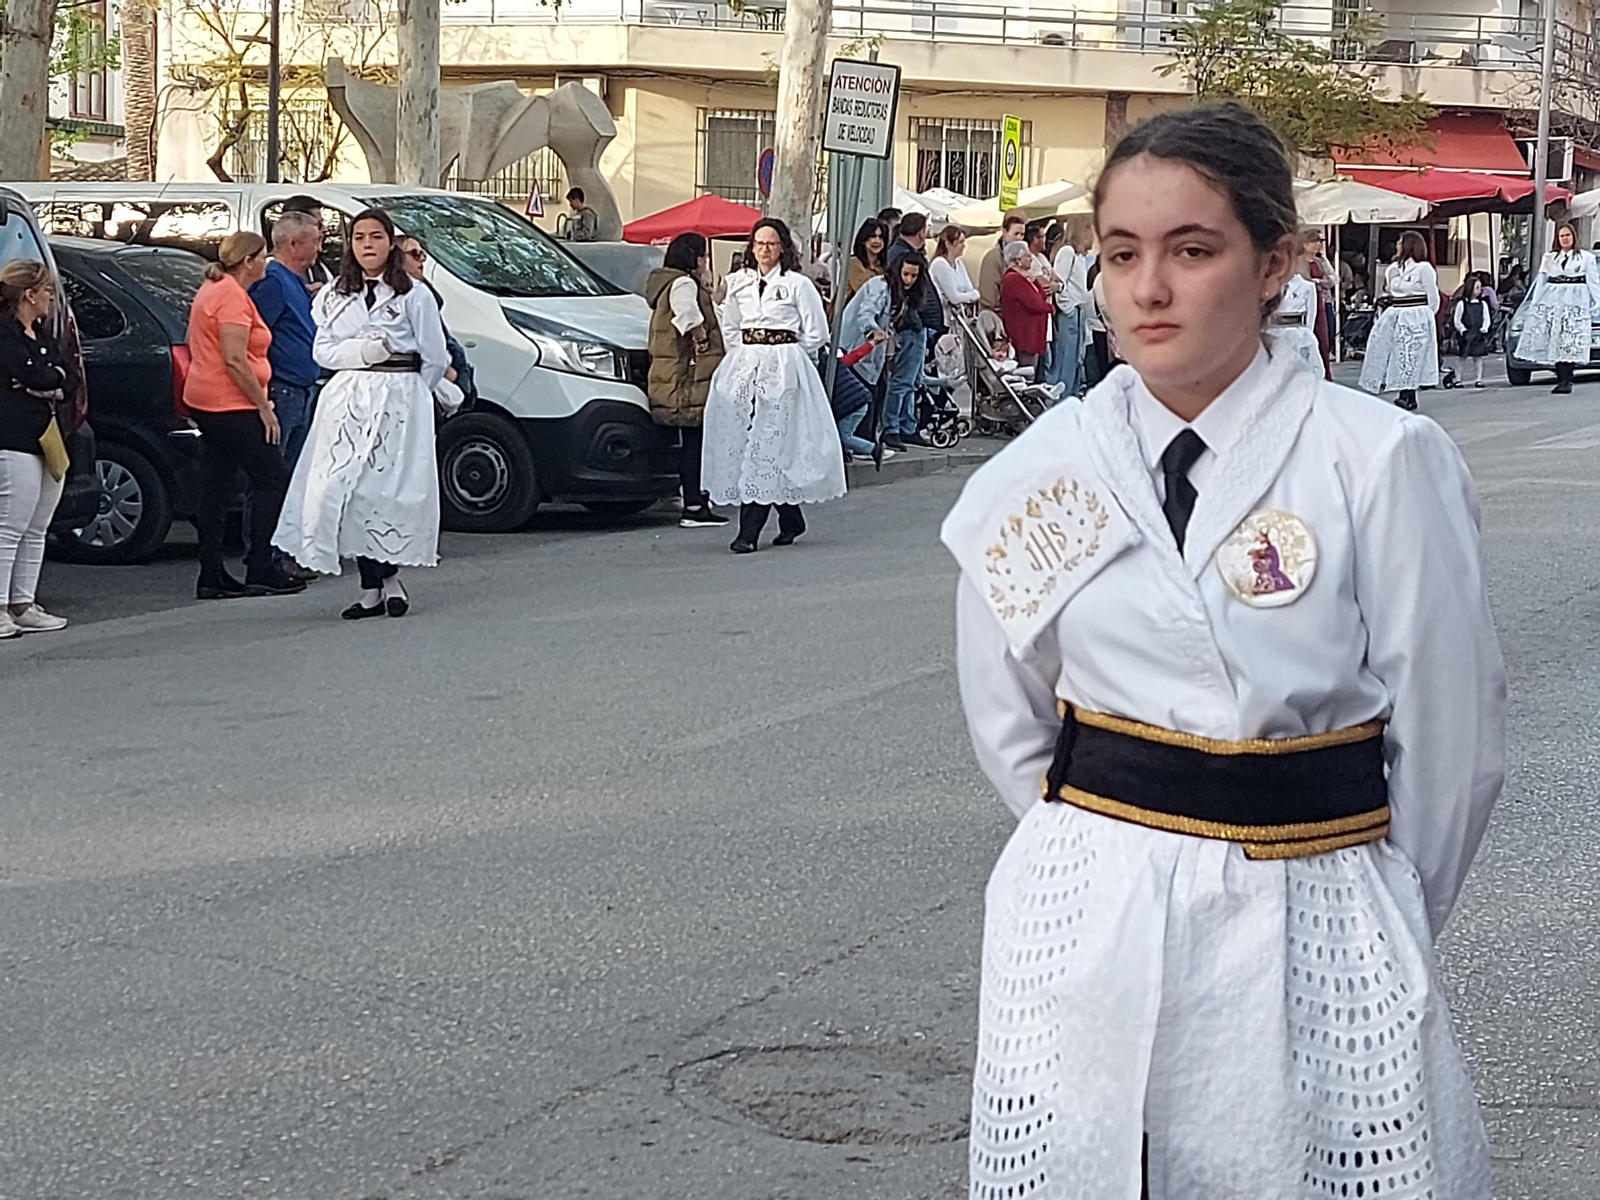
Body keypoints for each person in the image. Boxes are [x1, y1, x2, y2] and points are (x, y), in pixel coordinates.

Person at [941, 101, 1504, 1200]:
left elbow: (1450, 740)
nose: (1148, 289)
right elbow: (1010, 716)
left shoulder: (1377, 460)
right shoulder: (1040, 471)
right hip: (1089, 913)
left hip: (1316, 906)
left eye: (1191, 251)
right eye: (1120, 254)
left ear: (1273, 266)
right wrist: (1111, 858)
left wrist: (1373, 902)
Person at [274, 208, 452, 619]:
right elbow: (323, 349)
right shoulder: (337, 294)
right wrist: (361, 353)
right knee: (347, 492)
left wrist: (412, 396)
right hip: (349, 396)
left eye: (375, 237)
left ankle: (387, 579)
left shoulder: (413, 293)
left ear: (389, 243)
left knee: (384, 492)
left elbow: (434, 355)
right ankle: (374, 586)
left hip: (398, 397)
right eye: (359, 238)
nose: (367, 245)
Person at [701, 217, 845, 553]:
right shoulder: (738, 283)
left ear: (782, 248)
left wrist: (788, 357)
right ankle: (790, 517)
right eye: (760, 243)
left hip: (784, 369)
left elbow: (816, 332)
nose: (765, 250)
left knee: (770, 442)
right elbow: (731, 326)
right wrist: (744, 358)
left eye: (772, 243)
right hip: (745, 367)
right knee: (749, 441)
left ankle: (748, 532)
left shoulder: (797, 284)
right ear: (752, 247)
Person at [183, 231, 304, 602]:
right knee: (272, 477)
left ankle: (212, 571)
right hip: (230, 402)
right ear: (248, 260)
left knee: (216, 486)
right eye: (263, 256)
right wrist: (264, 407)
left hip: (206, 398)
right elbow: (235, 358)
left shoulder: (212, 289)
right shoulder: (232, 297)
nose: (267, 263)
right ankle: (261, 567)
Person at [0, 260, 74, 637]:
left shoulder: (42, 333)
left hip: (47, 434)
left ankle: (23, 602)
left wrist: (46, 381)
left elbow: (63, 375)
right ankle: (0, 605)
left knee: (37, 524)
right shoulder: (4, 335)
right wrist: (43, 380)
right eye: (46, 290)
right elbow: (31, 373)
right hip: (13, 436)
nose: (50, 297)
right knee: (10, 525)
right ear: (28, 294)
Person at [644, 231, 729, 528]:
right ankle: (693, 503)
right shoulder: (682, 283)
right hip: (688, 371)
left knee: (688, 441)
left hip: (675, 371)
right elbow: (687, 314)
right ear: (692, 257)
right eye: (702, 255)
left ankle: (692, 499)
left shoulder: (667, 282)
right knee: (694, 441)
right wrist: (701, 335)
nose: (706, 261)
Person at [250, 210, 322, 470]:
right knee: (272, 476)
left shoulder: (294, 281)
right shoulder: (273, 282)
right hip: (282, 391)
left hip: (302, 390)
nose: (319, 248)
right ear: (293, 244)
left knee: (292, 474)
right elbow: (254, 335)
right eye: (315, 241)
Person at [1360, 231, 1440, 410]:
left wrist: (1426, 316)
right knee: (1395, 351)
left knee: (1412, 355)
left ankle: (1408, 394)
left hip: (1416, 314)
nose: (1396, 245)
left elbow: (1433, 297)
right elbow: (1390, 290)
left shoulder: (1423, 269)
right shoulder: (1393, 269)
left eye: (1400, 242)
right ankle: (1395, 387)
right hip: (1397, 312)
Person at [1517, 222, 1599, 394]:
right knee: (1555, 339)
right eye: (1561, 236)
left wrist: (1596, 301)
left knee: (1569, 341)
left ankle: (1567, 379)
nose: (1565, 239)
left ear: (1573, 237)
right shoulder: (1550, 257)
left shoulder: (1585, 258)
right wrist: (1535, 302)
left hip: (1574, 301)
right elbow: (1541, 281)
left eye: (1567, 235)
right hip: (1553, 300)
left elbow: (1593, 281)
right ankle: (1560, 378)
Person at [399, 236, 476, 407]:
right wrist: (449, 372)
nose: (422, 259)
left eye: (422, 253)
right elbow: (432, 354)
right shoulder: (405, 297)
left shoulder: (424, 293)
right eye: (414, 254)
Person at [876, 252, 932, 451]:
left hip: (915, 331)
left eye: (913, 275)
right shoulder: (890, 288)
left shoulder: (910, 291)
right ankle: (893, 428)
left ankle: (905, 426)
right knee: (902, 383)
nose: (909, 280)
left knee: (912, 383)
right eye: (906, 274)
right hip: (907, 333)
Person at [1047, 215, 1093, 396]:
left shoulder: (1079, 255)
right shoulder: (1067, 252)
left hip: (1079, 310)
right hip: (1072, 311)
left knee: (1076, 360)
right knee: (1066, 359)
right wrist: (1068, 308)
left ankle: (1071, 397)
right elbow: (1059, 282)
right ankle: (1060, 401)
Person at [999, 240, 1051, 370]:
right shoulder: (1013, 279)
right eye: (1027, 256)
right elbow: (1035, 304)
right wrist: (1050, 307)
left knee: (1032, 368)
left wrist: (1036, 283)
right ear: (1017, 260)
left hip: (1033, 335)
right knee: (1027, 371)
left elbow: (1042, 295)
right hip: (1024, 335)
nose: (1031, 259)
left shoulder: (1025, 278)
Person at [929, 225, 981, 326]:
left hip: (960, 320)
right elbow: (954, 297)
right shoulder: (939, 264)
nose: (964, 246)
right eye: (960, 242)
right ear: (948, 244)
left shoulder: (959, 263)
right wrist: (971, 295)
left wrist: (968, 295)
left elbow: (970, 289)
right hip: (945, 320)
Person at [980, 212, 1029, 312]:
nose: (1019, 238)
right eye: (1016, 234)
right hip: (998, 316)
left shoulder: (1023, 257)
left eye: (1022, 234)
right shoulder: (993, 257)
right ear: (1004, 231)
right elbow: (989, 295)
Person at [1452, 274, 1493, 388]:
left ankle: (1478, 379)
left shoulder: (1482, 304)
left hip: (1478, 333)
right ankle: (1458, 378)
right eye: (1477, 287)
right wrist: (1462, 330)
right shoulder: (1462, 304)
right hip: (1466, 334)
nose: (1479, 290)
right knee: (1462, 357)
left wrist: (1484, 328)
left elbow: (1486, 318)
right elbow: (1457, 319)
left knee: (1478, 358)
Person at [843, 218, 888, 308]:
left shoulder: (884, 266)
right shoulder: (854, 263)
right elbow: (866, 291)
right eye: (873, 236)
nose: (877, 241)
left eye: (881, 237)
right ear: (864, 239)